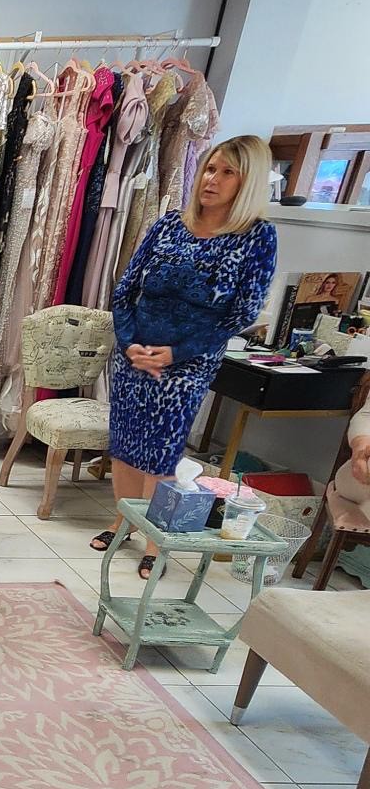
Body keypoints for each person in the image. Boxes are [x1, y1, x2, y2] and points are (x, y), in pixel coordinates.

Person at [93, 134, 278, 576]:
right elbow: (126, 289)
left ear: (247, 181)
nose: (212, 179)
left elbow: (241, 312)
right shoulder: (169, 224)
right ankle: (122, 521)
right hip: (134, 354)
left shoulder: (257, 237)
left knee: (159, 452)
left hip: (188, 365)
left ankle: (155, 540)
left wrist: (174, 354)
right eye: (210, 168)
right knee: (124, 444)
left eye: (227, 172)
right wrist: (130, 342)